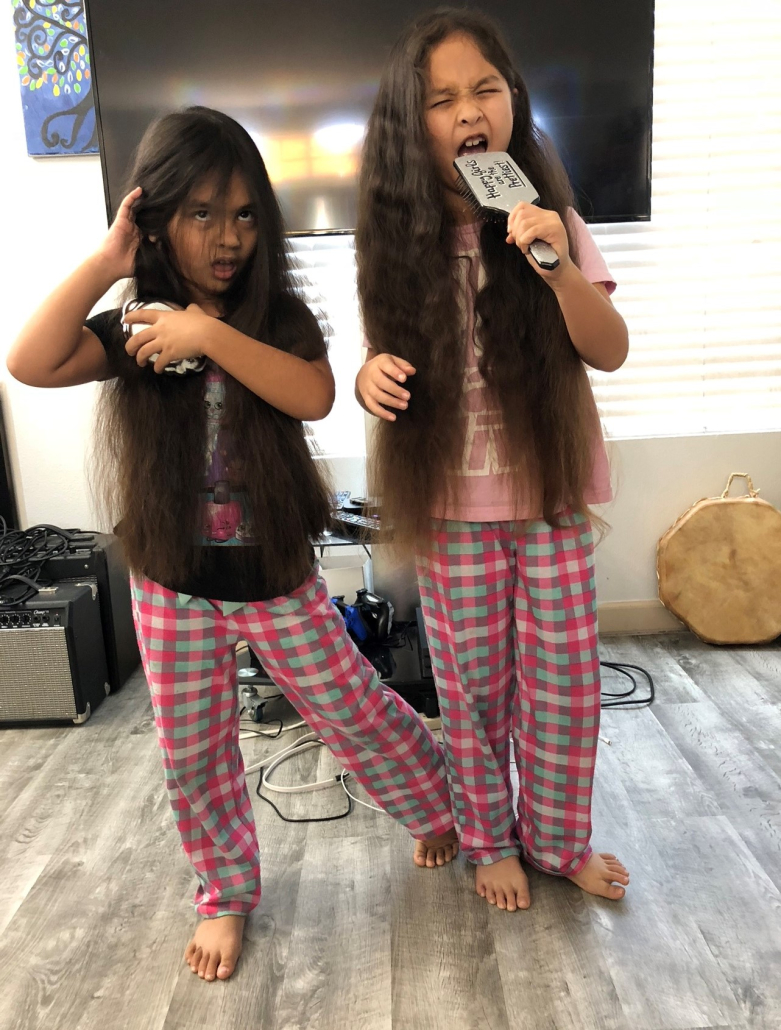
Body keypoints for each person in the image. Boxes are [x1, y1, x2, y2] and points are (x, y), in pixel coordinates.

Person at [7, 106, 458, 981]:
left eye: (246, 214)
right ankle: (223, 893)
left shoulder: (276, 314)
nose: (227, 236)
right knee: (194, 752)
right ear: (156, 217)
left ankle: (437, 806)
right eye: (202, 213)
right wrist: (107, 265)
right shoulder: (135, 322)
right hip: (171, 583)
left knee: (354, 710)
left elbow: (313, 395)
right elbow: (29, 362)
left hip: (274, 578)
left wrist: (210, 333)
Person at [355, 9, 631, 912]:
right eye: (441, 100)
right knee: (471, 692)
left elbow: (609, 348)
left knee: (562, 691)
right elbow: (374, 359)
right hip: (449, 512)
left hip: (546, 500)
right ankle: (487, 839)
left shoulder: (557, 223)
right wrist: (369, 378)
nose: (469, 110)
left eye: (485, 88)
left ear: (512, 100)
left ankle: (558, 840)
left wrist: (552, 261)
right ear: (413, 125)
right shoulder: (396, 250)